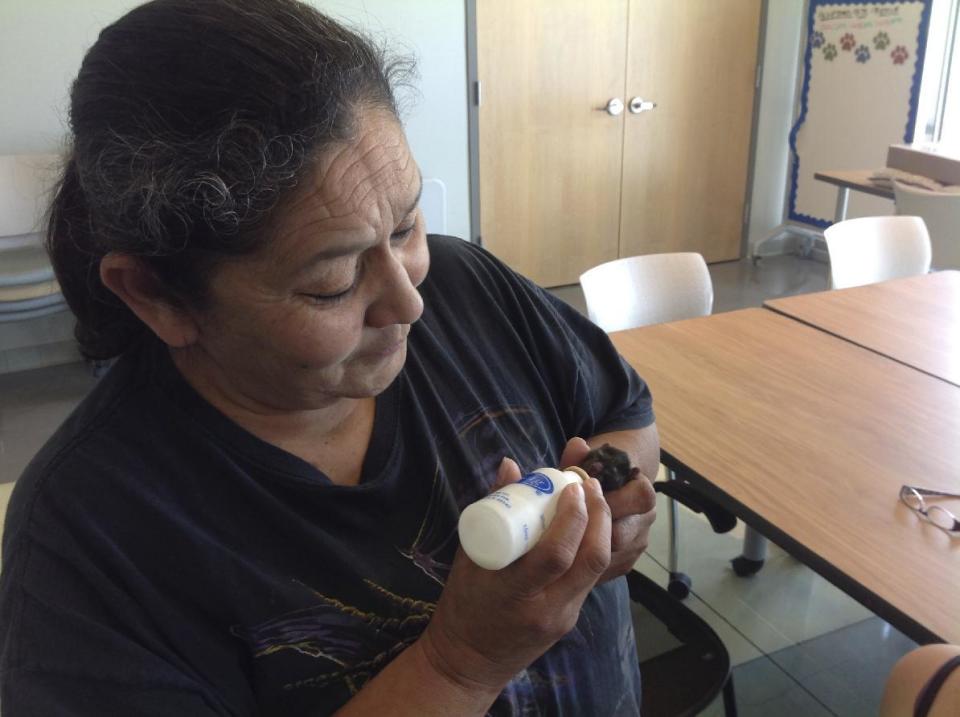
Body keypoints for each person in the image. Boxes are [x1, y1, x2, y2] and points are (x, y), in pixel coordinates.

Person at [0, 1, 659, 714]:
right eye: (331, 283)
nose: (408, 302)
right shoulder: (88, 543)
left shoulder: (468, 287)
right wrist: (461, 662)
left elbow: (623, 415)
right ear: (158, 295)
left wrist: (614, 508)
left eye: (407, 224)